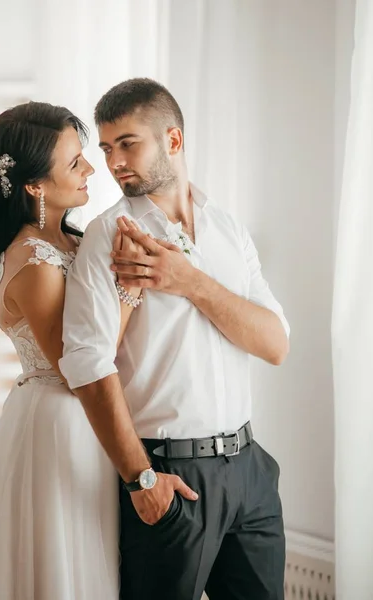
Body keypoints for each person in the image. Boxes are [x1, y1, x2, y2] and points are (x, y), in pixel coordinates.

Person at [60, 78, 291, 600]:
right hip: (170, 476)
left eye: (128, 144)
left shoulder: (229, 229)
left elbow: (275, 343)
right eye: (106, 148)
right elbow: (87, 364)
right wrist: (142, 479)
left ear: (173, 141)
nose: (115, 161)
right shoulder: (109, 234)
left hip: (250, 471)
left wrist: (188, 281)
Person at [0, 101, 146, 600]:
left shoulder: (72, 241)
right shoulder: (32, 259)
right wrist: (129, 290)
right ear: (34, 185)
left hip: (88, 420)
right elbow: (78, 362)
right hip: (61, 422)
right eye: (75, 162)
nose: (91, 169)